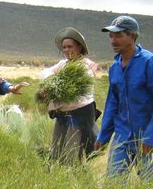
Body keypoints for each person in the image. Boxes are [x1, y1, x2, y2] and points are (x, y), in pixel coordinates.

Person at [95, 16, 153, 179]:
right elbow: (112, 103)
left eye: (119, 35)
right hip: (122, 136)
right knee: (113, 187)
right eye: (111, 36)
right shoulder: (115, 68)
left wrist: (150, 136)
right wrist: (103, 136)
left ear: (132, 36)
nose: (113, 40)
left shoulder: (149, 62)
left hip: (146, 137)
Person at [40, 27, 99, 165]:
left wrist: (48, 92)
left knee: (72, 158)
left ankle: (79, 184)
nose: (66, 50)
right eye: (64, 47)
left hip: (79, 117)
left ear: (79, 47)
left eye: (70, 46)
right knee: (55, 153)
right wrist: (49, 84)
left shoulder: (86, 68)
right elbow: (45, 72)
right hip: (62, 116)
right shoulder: (63, 64)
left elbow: (69, 95)